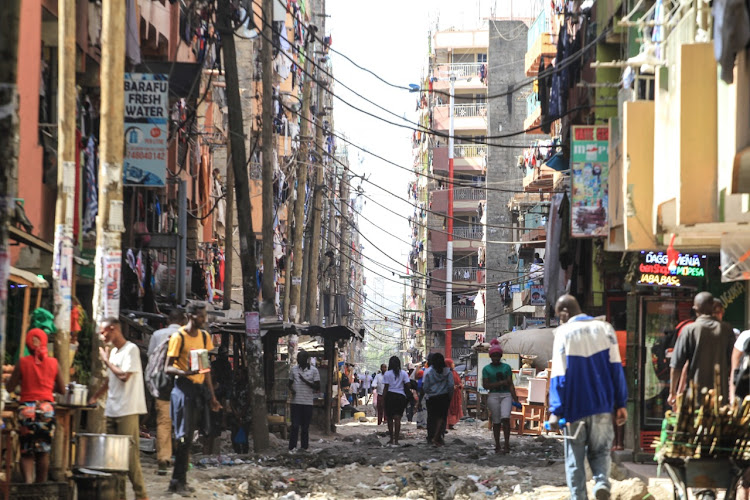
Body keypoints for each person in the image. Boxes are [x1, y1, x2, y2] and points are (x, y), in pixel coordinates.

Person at [548, 295, 628, 500]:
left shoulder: (564, 332)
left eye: (559, 316)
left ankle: (579, 497)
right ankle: (601, 482)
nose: (560, 320)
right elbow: (616, 369)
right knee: (601, 451)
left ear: (565, 313)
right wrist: (621, 403)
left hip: (575, 409)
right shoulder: (605, 328)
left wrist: (556, 410)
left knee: (575, 458)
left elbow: (559, 375)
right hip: (602, 404)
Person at [88, 318, 149, 500]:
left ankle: (141, 494)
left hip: (127, 409)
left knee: (129, 456)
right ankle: (119, 495)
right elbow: (111, 379)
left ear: (113, 329)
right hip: (112, 409)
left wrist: (106, 361)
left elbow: (123, 376)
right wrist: (96, 396)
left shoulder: (131, 350)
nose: (102, 336)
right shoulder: (114, 352)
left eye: (103, 332)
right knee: (113, 458)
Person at [164, 302, 221, 494]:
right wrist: (187, 372)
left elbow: (205, 370)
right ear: (190, 316)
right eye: (201, 316)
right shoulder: (178, 337)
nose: (204, 319)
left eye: (204, 316)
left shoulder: (205, 337)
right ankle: (177, 481)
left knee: (189, 439)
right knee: (183, 437)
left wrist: (212, 397)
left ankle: (178, 480)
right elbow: (168, 367)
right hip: (182, 389)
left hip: (197, 391)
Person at [7, 328, 64, 483]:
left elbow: (10, 388)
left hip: (26, 410)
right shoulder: (53, 363)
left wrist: (23, 383)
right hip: (46, 410)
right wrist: (46, 386)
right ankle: (40, 486)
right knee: (43, 451)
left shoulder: (23, 362)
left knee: (26, 451)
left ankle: (28, 485)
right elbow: (62, 388)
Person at [668, 291, 735, 408]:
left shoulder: (689, 330)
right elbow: (733, 364)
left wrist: (672, 392)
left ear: (695, 308)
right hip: (720, 398)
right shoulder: (727, 329)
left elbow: (677, 365)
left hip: (695, 397)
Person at [147, 308, 186, 475]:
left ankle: (164, 458)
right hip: (184, 384)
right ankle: (182, 459)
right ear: (183, 322)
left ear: (168, 320)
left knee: (164, 423)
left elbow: (151, 359)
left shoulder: (157, 335)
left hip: (162, 385)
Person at [482, 340, 519, 454]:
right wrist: (502, 383)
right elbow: (485, 385)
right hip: (493, 395)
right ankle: (497, 445)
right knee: (496, 421)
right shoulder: (486, 369)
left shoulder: (507, 367)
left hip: (506, 395)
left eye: (498, 356)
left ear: (501, 356)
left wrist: (515, 398)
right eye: (494, 356)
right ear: (491, 356)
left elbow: (510, 384)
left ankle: (506, 444)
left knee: (505, 418)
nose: (496, 358)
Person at [288, 350, 320, 452]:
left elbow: (317, 387)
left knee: (305, 427)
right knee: (294, 426)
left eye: (300, 359)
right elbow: (289, 383)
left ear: (305, 360)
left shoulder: (314, 371)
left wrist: (304, 381)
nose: (298, 361)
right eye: (297, 359)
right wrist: (292, 389)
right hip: (295, 402)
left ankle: (304, 447)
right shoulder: (293, 370)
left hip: (307, 403)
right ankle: (292, 447)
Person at [422, 352, 453, 446]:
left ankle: (431, 436)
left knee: (431, 418)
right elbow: (451, 385)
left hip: (431, 398)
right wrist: (450, 396)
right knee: (441, 418)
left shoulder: (429, 372)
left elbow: (425, 387)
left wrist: (429, 392)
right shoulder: (447, 372)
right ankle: (438, 437)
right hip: (444, 397)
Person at [383, 356, 411, 445]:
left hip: (390, 396)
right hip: (400, 397)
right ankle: (396, 440)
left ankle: (391, 439)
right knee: (398, 418)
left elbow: (385, 388)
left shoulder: (387, 374)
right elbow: (408, 385)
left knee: (390, 419)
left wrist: (383, 400)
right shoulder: (403, 373)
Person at [445, 358, 464, 430]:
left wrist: (460, 385)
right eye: (452, 363)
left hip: (456, 394)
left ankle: (452, 423)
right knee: (449, 408)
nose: (454, 365)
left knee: (455, 407)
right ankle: (448, 423)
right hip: (449, 394)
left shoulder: (455, 373)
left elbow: (459, 381)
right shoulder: (446, 373)